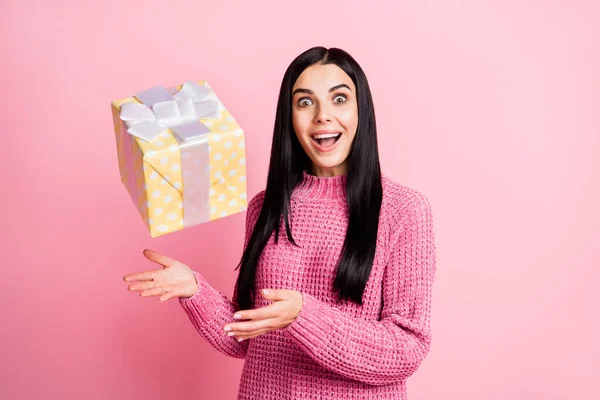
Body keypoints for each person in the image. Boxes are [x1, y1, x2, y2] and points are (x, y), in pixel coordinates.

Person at [123, 46, 437, 400]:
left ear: (361, 110)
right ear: (289, 117)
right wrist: (194, 290)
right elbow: (249, 337)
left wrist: (302, 316)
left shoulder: (403, 210)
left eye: (339, 99)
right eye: (305, 102)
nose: (323, 116)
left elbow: (406, 349)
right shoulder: (266, 207)